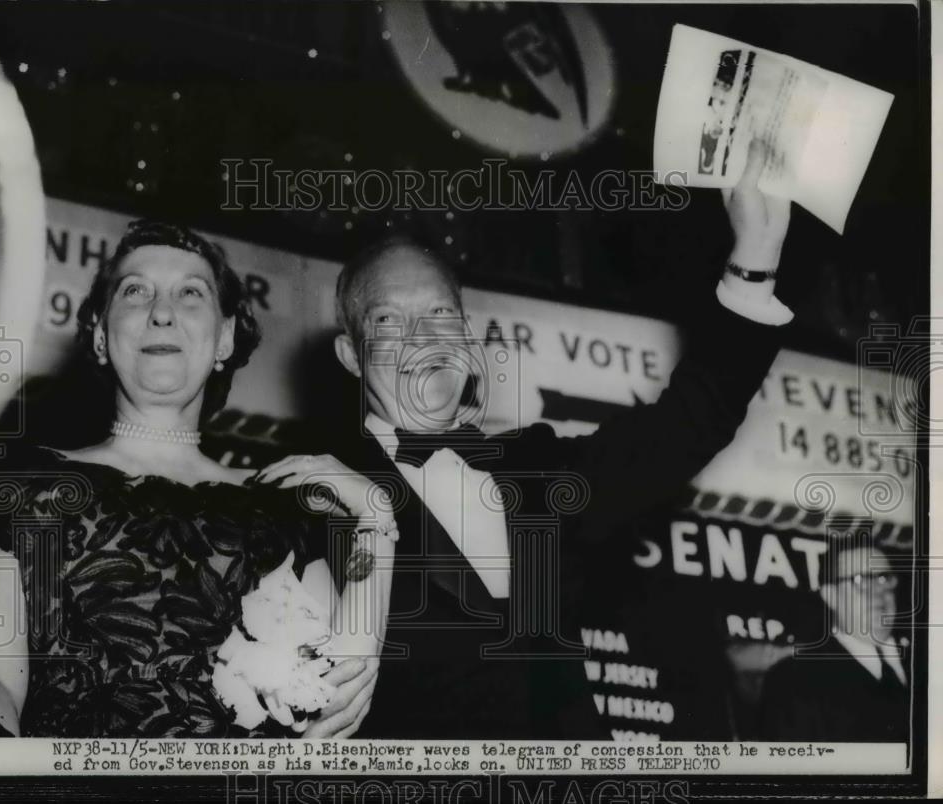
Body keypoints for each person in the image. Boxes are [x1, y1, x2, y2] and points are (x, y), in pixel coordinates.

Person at [326, 140, 796, 738]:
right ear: (350, 354)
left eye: (441, 316)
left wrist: (755, 254)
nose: (424, 339)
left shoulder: (540, 470)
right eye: (389, 321)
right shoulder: (312, 497)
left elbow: (689, 422)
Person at [0, 220, 394, 738]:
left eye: (190, 293)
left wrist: (377, 518)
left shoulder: (285, 509)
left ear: (225, 337)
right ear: (101, 336)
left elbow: (337, 700)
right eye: (135, 291)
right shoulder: (25, 485)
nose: (162, 313)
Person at [758, 536, 910, 741]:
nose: (877, 591)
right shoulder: (796, 681)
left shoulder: (927, 664)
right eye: (861, 580)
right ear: (831, 595)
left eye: (883, 577)